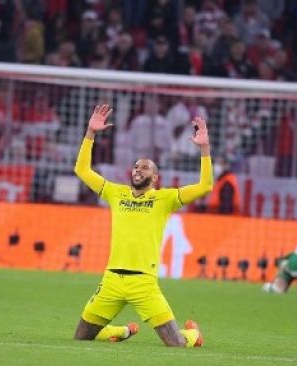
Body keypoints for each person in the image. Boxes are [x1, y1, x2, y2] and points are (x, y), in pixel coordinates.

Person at [73, 104, 212, 347]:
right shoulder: (116, 193)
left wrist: (204, 148)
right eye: (136, 166)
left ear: (155, 178)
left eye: (145, 167)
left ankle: (193, 335)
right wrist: (90, 134)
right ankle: (122, 331)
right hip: (112, 280)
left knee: (177, 343)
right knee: (81, 338)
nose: (139, 169)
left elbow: (205, 187)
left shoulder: (164, 199)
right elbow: (82, 170)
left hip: (144, 283)